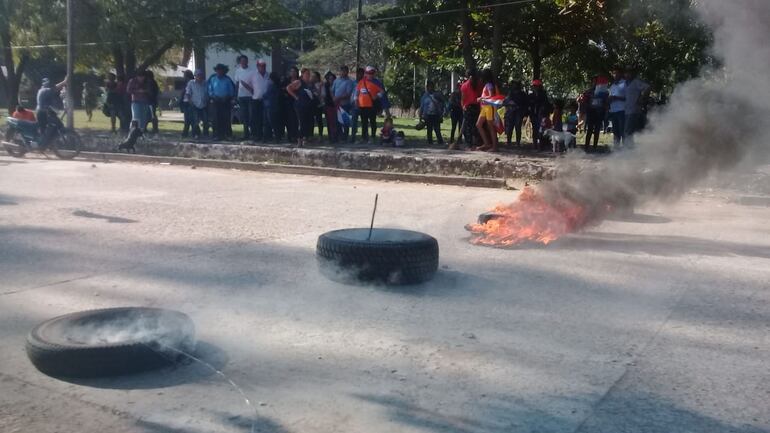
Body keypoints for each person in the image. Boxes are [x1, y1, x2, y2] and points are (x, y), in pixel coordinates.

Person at [354, 66, 384, 144]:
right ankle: (364, 138)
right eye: (368, 73)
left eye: (371, 73)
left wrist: (377, 96)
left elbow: (382, 92)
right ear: (365, 73)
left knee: (372, 122)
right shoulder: (361, 82)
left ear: (374, 73)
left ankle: (373, 137)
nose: (370, 74)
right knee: (364, 123)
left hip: (371, 106)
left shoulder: (377, 82)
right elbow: (357, 92)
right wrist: (356, 100)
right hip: (362, 106)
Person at [286, 68, 315, 147]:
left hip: (308, 106)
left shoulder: (309, 83)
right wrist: (296, 97)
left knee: (307, 123)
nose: (308, 75)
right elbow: (288, 88)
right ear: (302, 74)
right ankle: (299, 140)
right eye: (306, 74)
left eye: (309, 74)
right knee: (301, 123)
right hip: (300, 105)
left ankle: (305, 138)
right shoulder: (299, 82)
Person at [207, 63, 236, 141]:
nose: (219, 72)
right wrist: (213, 96)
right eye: (218, 70)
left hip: (225, 101)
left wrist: (227, 96)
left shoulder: (227, 80)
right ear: (216, 71)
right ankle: (216, 135)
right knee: (216, 119)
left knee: (226, 118)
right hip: (216, 101)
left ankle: (227, 135)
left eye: (221, 70)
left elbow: (231, 91)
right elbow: (210, 90)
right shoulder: (212, 79)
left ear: (224, 71)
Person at [623, 66, 650, 147]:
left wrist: (641, 98)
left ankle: (629, 150)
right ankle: (630, 149)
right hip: (626, 110)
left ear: (633, 73)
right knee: (628, 131)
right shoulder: (625, 83)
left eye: (629, 72)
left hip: (633, 110)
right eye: (626, 72)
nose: (627, 74)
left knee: (628, 131)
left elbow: (648, 87)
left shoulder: (636, 82)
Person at [474, 68, 500, 152]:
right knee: (479, 124)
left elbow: (491, 96)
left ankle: (494, 147)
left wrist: (481, 98)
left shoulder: (489, 84)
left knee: (490, 127)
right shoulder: (488, 84)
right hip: (485, 107)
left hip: (488, 107)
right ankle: (486, 143)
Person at [246, 59, 269, 142]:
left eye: (264, 66)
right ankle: (255, 135)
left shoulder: (268, 75)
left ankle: (264, 135)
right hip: (256, 99)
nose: (263, 67)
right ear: (257, 66)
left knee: (264, 119)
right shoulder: (253, 74)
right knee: (255, 118)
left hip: (265, 100)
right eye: (261, 66)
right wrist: (251, 90)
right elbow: (243, 82)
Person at [585, 76, 610, 151]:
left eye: (597, 82)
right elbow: (585, 101)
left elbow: (606, 102)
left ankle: (595, 146)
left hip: (599, 112)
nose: (595, 83)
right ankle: (586, 146)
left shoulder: (604, 92)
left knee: (597, 130)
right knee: (589, 129)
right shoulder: (589, 91)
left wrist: (606, 111)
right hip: (591, 112)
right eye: (594, 81)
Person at [332, 65, 355, 141]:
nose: (343, 72)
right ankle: (337, 136)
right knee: (337, 121)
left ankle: (344, 137)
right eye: (342, 71)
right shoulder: (336, 81)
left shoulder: (349, 81)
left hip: (345, 104)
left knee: (345, 121)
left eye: (345, 71)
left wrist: (338, 98)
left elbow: (348, 94)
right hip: (336, 104)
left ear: (347, 72)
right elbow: (332, 90)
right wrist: (333, 98)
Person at [460, 69, 483, 148]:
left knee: (468, 127)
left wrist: (463, 107)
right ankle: (476, 143)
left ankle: (470, 144)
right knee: (476, 126)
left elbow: (463, 99)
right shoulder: (480, 84)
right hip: (477, 107)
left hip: (468, 108)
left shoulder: (464, 85)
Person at [233, 55, 253, 140]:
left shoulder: (252, 71)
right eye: (242, 61)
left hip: (250, 96)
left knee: (251, 115)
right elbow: (237, 84)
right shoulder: (238, 71)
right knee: (244, 116)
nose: (243, 62)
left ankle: (253, 133)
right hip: (241, 96)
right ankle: (246, 134)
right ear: (240, 62)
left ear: (247, 61)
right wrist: (235, 95)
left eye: (245, 61)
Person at [185, 69, 209, 138]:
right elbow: (188, 93)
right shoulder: (191, 83)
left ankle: (205, 135)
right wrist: (190, 102)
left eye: (201, 75)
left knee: (205, 121)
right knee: (195, 121)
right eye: (198, 75)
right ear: (195, 76)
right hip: (194, 105)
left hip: (204, 105)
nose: (200, 77)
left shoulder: (205, 83)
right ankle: (196, 135)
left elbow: (208, 93)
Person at [419, 81, 445, 146]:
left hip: (436, 114)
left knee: (437, 129)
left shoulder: (437, 95)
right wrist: (420, 115)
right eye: (428, 87)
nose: (430, 88)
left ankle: (440, 141)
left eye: (431, 86)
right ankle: (430, 141)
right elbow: (422, 106)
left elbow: (442, 103)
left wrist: (442, 112)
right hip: (428, 115)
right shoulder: (424, 96)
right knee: (429, 129)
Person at [503, 80, 528, 147]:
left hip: (518, 113)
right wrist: (510, 104)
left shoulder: (522, 94)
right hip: (511, 113)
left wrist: (524, 113)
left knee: (517, 127)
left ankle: (517, 143)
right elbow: (505, 102)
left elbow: (525, 105)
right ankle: (509, 142)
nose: (515, 86)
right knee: (510, 128)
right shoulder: (510, 93)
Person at [528, 79, 550, 150]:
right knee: (535, 129)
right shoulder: (531, 95)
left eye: (536, 86)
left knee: (542, 130)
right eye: (534, 86)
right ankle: (535, 145)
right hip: (534, 115)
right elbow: (529, 104)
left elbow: (546, 105)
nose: (534, 87)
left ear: (539, 86)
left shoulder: (543, 95)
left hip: (542, 115)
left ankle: (541, 145)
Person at [608, 67, 626, 148]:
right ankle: (616, 150)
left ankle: (626, 149)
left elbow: (629, 98)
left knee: (623, 131)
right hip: (613, 111)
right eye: (614, 73)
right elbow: (610, 97)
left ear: (621, 74)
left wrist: (616, 98)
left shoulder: (625, 83)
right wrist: (609, 100)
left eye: (617, 73)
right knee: (615, 131)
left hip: (622, 110)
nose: (615, 75)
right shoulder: (612, 85)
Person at [282, 67, 300, 144]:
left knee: (296, 120)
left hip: (297, 102)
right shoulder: (286, 81)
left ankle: (296, 135)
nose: (293, 73)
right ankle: (290, 136)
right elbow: (283, 89)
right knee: (289, 119)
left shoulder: (299, 81)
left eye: (294, 71)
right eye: (291, 71)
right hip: (288, 103)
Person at [263, 72, 281, 142]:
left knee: (270, 122)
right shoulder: (276, 86)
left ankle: (276, 137)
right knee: (272, 122)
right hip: (273, 106)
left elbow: (266, 95)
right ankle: (273, 137)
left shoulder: (271, 86)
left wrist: (263, 96)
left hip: (270, 106)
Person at [349, 67, 365, 143]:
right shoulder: (353, 83)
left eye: (361, 73)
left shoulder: (365, 83)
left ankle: (364, 137)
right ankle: (353, 137)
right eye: (358, 73)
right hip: (354, 105)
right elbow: (351, 93)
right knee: (354, 121)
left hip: (363, 104)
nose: (360, 75)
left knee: (364, 121)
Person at [321, 71, 338, 143]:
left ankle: (336, 136)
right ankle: (331, 137)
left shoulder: (337, 86)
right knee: (329, 122)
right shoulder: (325, 86)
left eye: (332, 79)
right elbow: (323, 95)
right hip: (328, 105)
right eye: (329, 79)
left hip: (337, 106)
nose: (331, 80)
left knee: (336, 122)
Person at [180, 70, 195, 138]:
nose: (183, 77)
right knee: (188, 119)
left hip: (189, 102)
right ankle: (189, 133)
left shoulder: (192, 83)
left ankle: (186, 133)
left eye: (184, 75)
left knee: (190, 119)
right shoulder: (186, 83)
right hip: (185, 103)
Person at [448, 83, 463, 148]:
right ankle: (452, 139)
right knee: (453, 126)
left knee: (460, 126)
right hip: (454, 112)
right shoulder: (453, 94)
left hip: (460, 112)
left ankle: (459, 139)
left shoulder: (461, 94)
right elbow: (451, 103)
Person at [310, 71, 324, 139]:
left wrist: (318, 89)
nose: (313, 78)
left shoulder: (321, 84)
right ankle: (311, 135)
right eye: (312, 76)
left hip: (319, 105)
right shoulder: (310, 85)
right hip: (311, 105)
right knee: (311, 121)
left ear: (318, 77)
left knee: (319, 120)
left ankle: (320, 135)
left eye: (314, 76)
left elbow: (322, 95)